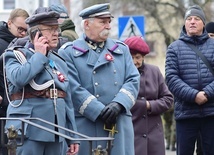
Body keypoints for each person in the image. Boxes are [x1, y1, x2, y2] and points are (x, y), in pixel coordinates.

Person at [58, 3, 140, 155]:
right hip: (87, 125)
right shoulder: (68, 52)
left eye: (109, 21)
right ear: (87, 24)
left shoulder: (122, 49)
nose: (108, 26)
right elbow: (72, 88)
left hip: (118, 124)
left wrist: (119, 104)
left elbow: (133, 79)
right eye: (103, 22)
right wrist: (99, 110)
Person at [3, 7, 79, 155]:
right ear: (35, 33)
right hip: (28, 131)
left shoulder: (59, 61)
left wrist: (73, 136)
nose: (56, 33)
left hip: (57, 132)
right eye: (50, 29)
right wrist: (39, 55)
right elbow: (19, 79)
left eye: (57, 29)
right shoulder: (16, 55)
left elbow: (67, 99)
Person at [165, 5, 214, 155]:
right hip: (186, 114)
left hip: (211, 114)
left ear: (203, 24)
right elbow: (171, 78)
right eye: (189, 19)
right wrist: (194, 95)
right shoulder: (174, 48)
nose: (192, 21)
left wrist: (206, 93)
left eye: (197, 19)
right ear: (185, 23)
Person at [124, 36, 173, 155]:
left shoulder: (154, 71)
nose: (134, 61)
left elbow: (168, 99)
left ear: (143, 57)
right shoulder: (120, 73)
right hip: (130, 130)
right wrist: (139, 106)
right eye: (131, 57)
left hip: (153, 132)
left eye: (138, 57)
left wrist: (149, 105)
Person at [0, 8, 29, 155]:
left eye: (26, 30)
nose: (23, 33)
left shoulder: (22, 44)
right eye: (20, 29)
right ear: (9, 23)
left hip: (14, 103)